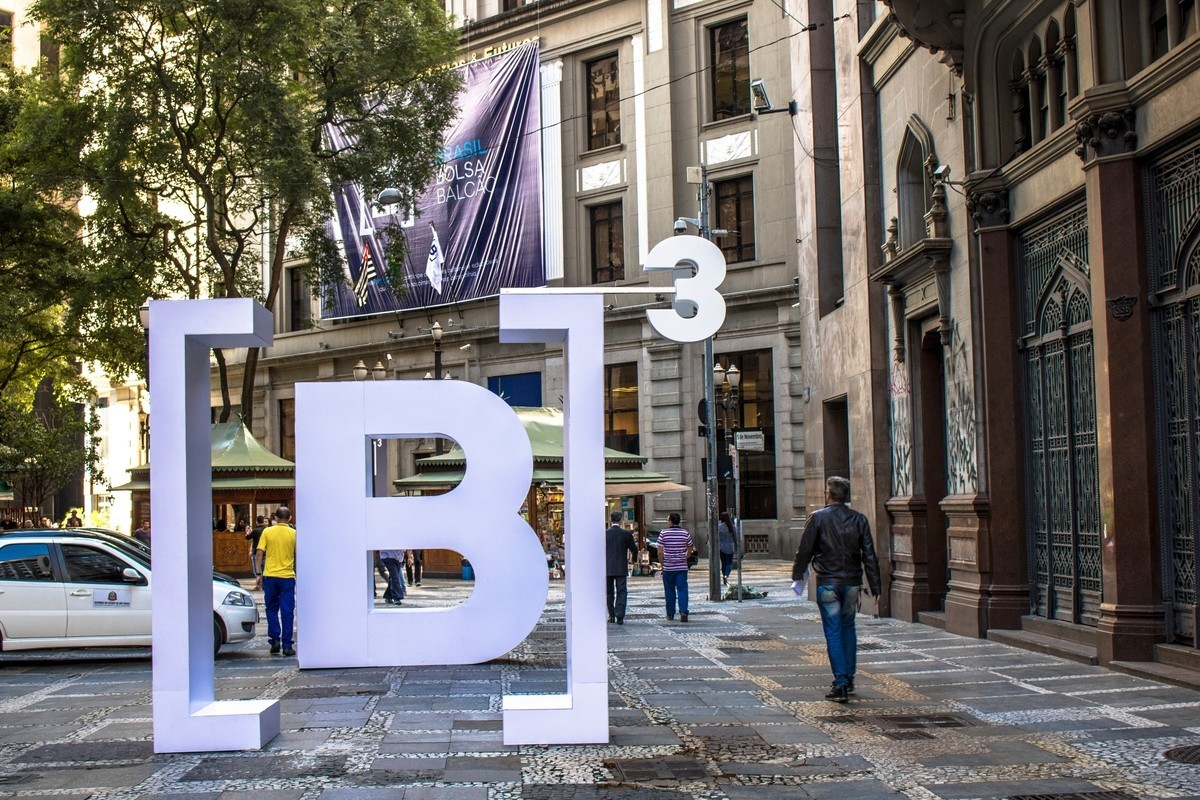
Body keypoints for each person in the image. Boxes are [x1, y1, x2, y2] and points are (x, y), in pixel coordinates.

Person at [791, 476, 882, 704]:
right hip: (852, 583)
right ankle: (848, 678)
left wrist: (797, 576)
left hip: (828, 583)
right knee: (848, 627)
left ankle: (840, 682)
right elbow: (869, 555)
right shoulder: (859, 519)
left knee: (833, 631)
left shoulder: (817, 518)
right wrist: (876, 586)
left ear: (829, 494)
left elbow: (804, 550)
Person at [257, 506, 298, 656]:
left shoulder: (267, 532)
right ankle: (287, 645)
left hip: (270, 575)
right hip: (287, 576)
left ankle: (274, 639)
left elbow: (259, 553)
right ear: (290, 518)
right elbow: (297, 554)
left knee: (271, 609)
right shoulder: (294, 533)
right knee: (287, 611)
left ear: (275, 518)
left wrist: (258, 573)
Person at [657, 513, 694, 622]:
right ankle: (683, 611)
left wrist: (662, 563)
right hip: (681, 566)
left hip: (668, 566)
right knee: (682, 589)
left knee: (669, 590)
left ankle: (670, 614)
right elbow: (690, 548)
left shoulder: (664, 533)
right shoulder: (685, 533)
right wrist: (685, 557)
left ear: (670, 521)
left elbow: (660, 552)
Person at [605, 511, 639, 624]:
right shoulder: (626, 534)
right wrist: (633, 559)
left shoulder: (605, 534)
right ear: (621, 520)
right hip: (621, 566)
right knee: (622, 591)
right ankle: (619, 615)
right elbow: (634, 549)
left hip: (608, 567)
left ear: (611, 520)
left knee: (609, 592)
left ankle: (611, 615)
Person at [717, 511, 740, 586]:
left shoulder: (719, 527)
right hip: (730, 547)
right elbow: (735, 538)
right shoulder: (731, 527)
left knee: (723, 563)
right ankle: (726, 575)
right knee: (729, 563)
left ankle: (724, 575)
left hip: (721, 547)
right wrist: (737, 548)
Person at [246, 516, 266, 589]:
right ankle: (264, 584)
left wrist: (247, 532)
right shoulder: (266, 530)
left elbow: (247, 537)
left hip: (256, 552)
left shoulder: (255, 530)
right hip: (265, 552)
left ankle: (258, 585)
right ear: (263, 521)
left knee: (257, 569)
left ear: (257, 522)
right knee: (264, 569)